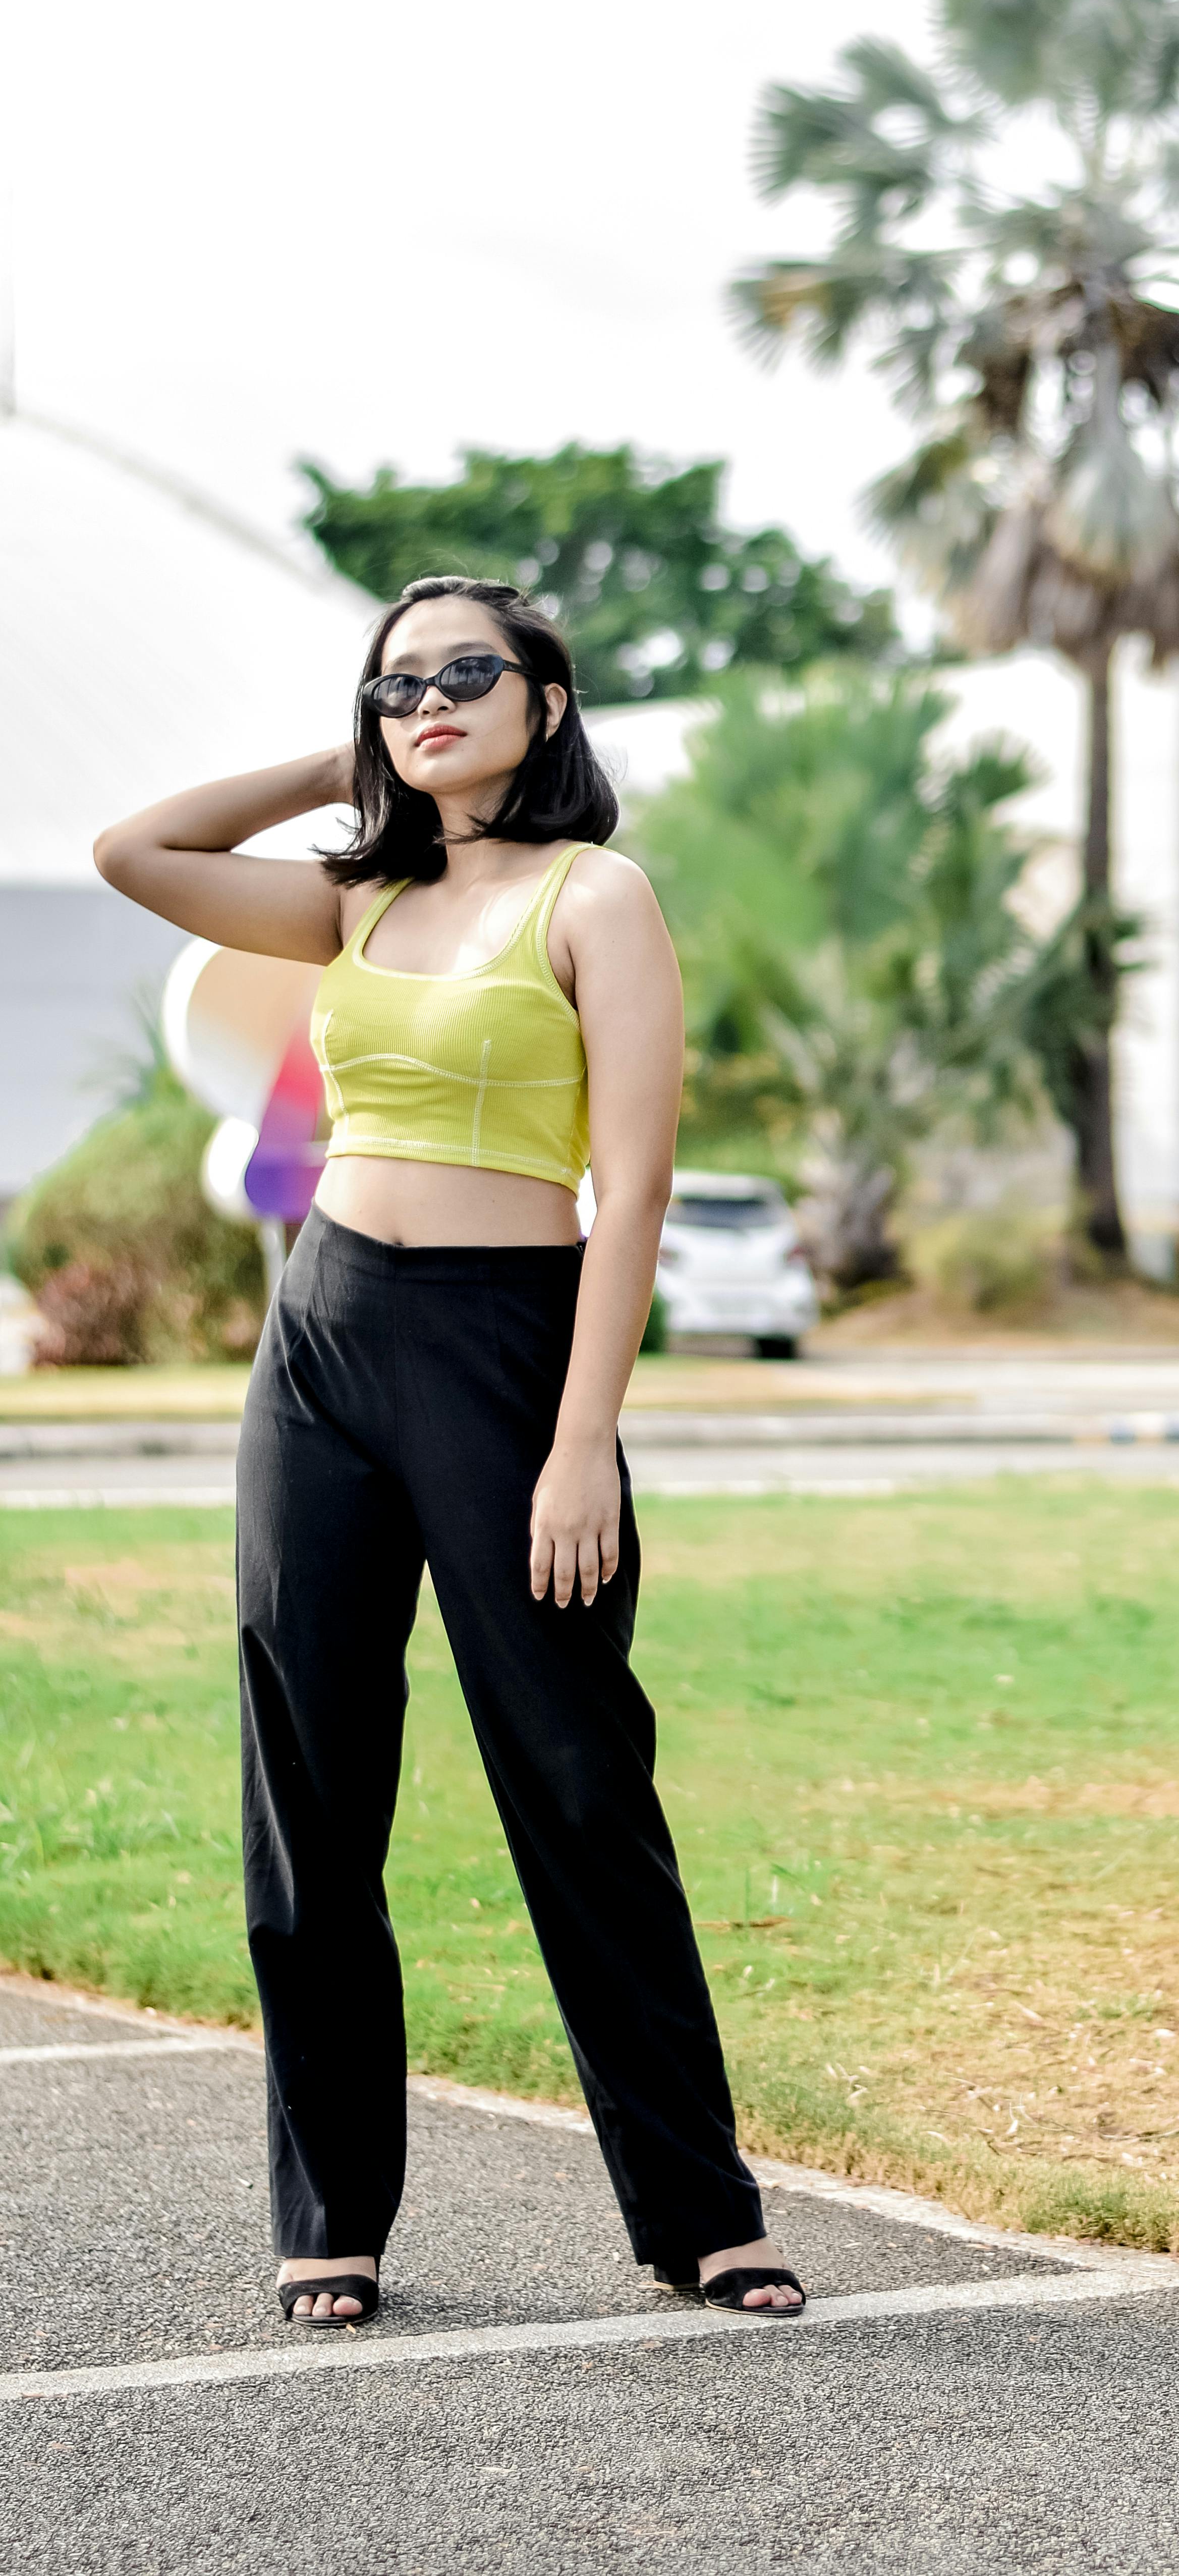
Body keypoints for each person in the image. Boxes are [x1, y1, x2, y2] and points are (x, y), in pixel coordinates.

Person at [95, 575, 804, 2324]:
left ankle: (701, 2211)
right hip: (324, 1338)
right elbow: (136, 848)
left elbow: (627, 1188)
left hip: (510, 1346)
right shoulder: (360, 891)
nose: (429, 702)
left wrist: (583, 1446)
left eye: (466, 673)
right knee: (311, 1786)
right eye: (398, 683)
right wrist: (355, 756)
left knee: (576, 1772)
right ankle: (330, 2211)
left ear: (547, 703)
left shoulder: (597, 895)